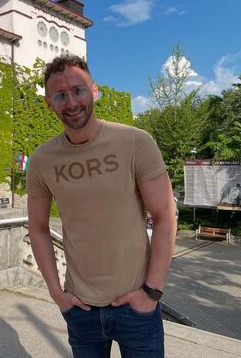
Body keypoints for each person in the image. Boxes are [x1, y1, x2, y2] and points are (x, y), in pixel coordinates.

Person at [26, 55, 177, 358]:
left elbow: (165, 215)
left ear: (94, 91)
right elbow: (38, 228)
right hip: (80, 309)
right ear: (49, 103)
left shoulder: (134, 142)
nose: (71, 102)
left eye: (78, 90)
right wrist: (57, 293)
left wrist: (151, 292)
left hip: (137, 307)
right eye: (60, 95)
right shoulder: (42, 160)